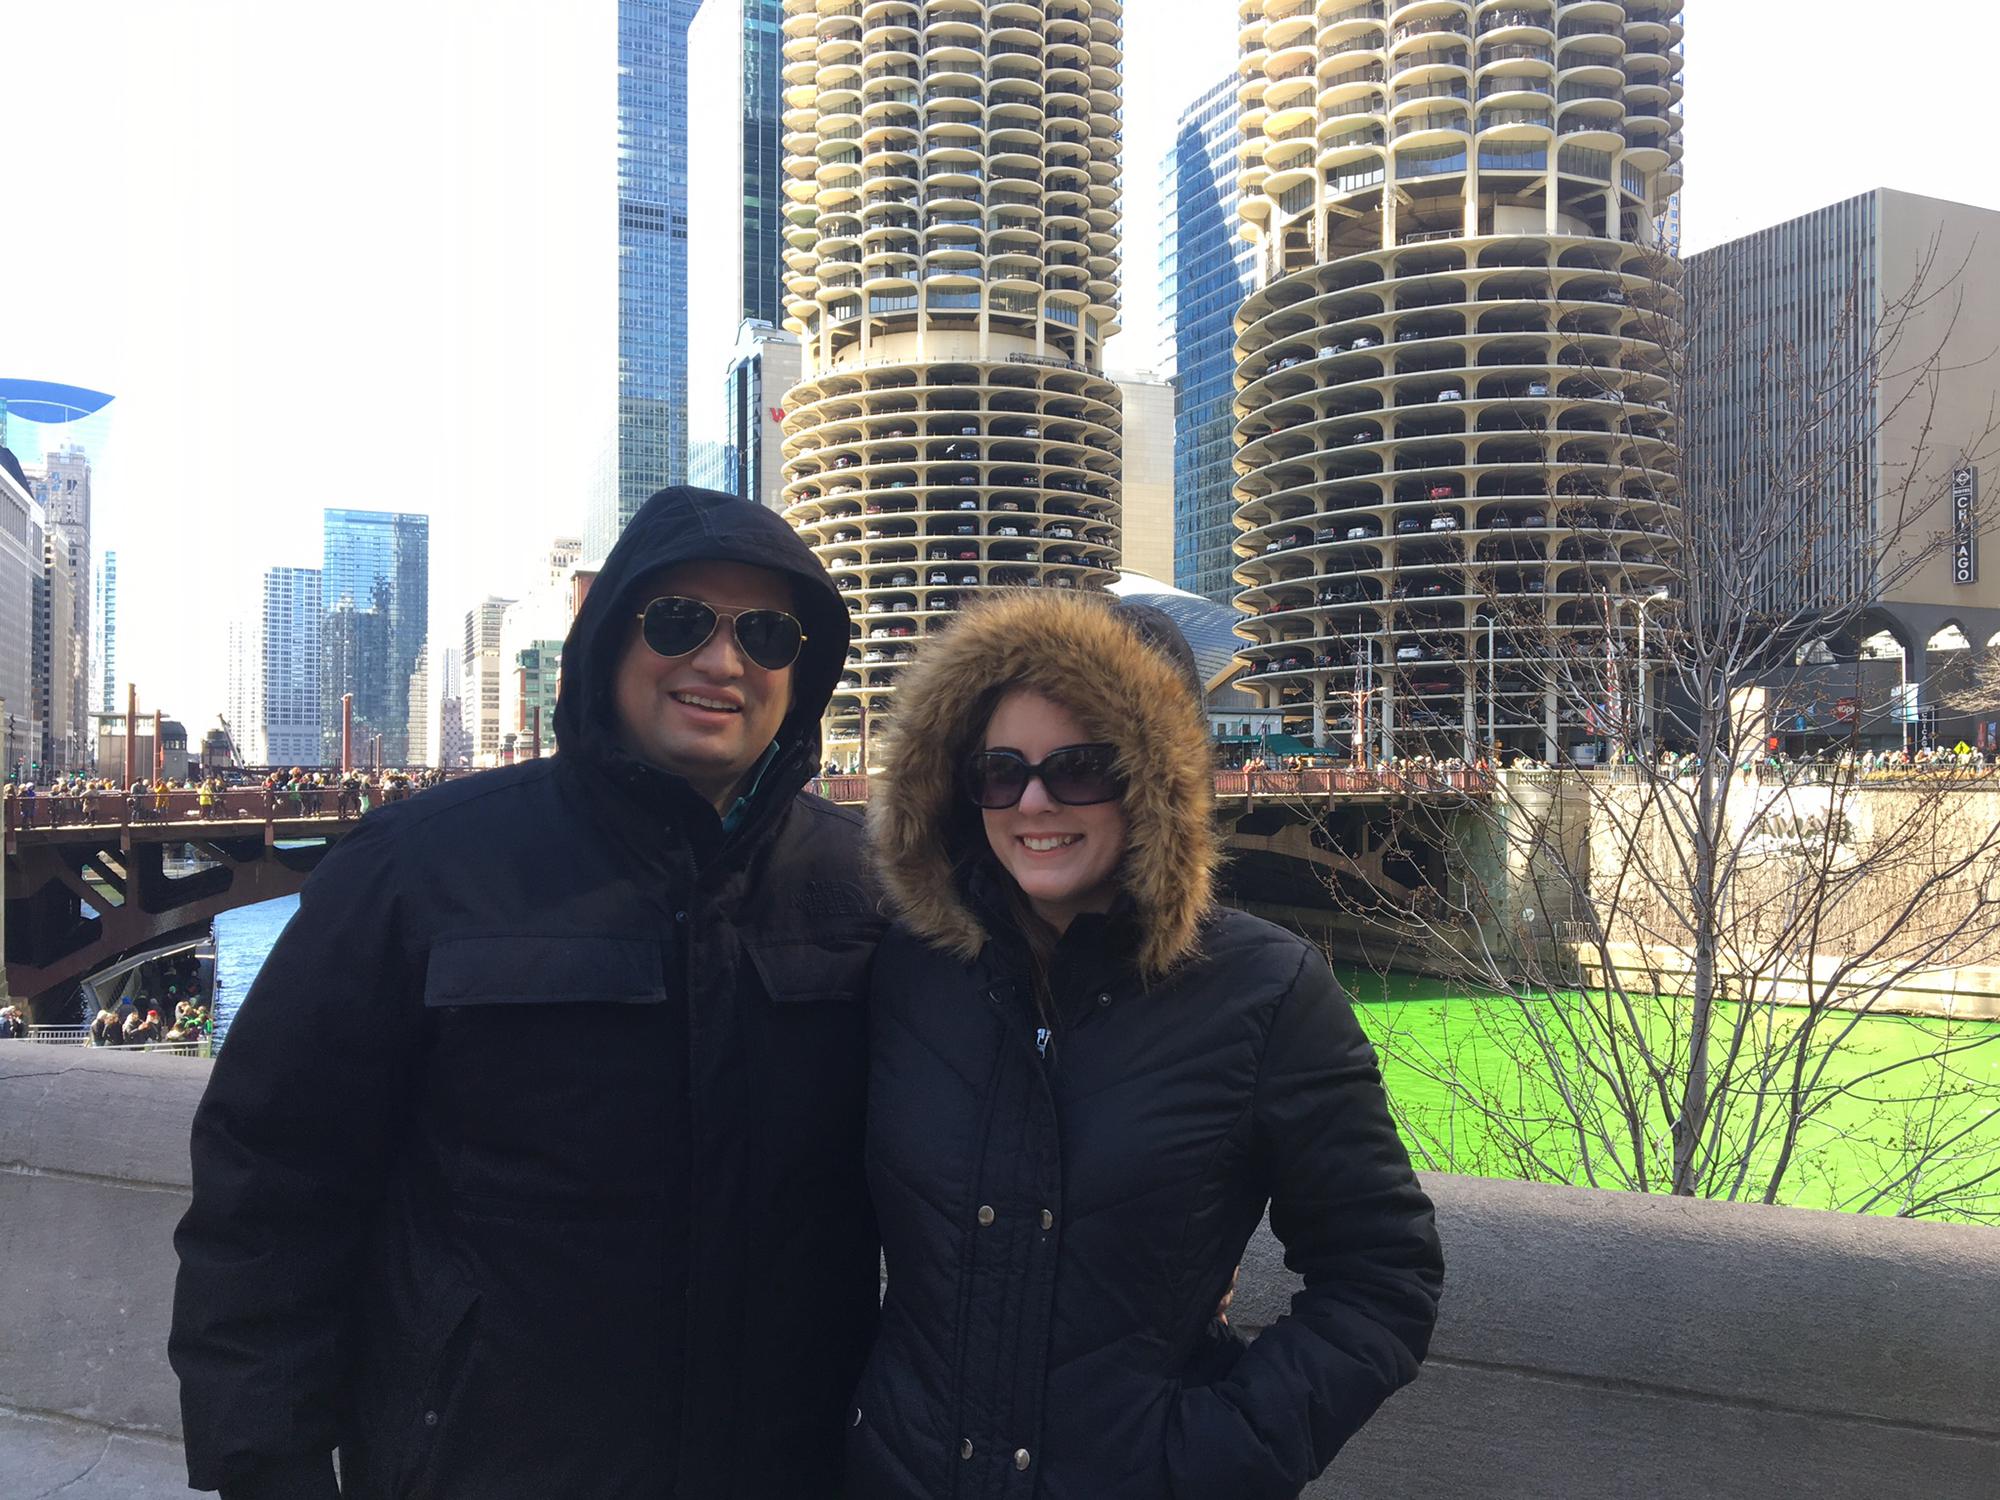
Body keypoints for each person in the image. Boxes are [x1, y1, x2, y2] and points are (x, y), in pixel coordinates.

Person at [170, 486, 882, 1499]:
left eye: (764, 634)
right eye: (679, 621)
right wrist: (266, 1464)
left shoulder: (875, 885)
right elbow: (272, 1173)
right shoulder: (418, 864)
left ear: (801, 673)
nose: (723, 662)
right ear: (608, 642)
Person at [852, 591, 1443, 1499]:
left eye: (1081, 767)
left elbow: (1383, 1277)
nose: (1033, 801)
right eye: (999, 771)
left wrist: (1209, 1459)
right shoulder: (908, 970)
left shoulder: (1267, 993)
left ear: (1157, 782)